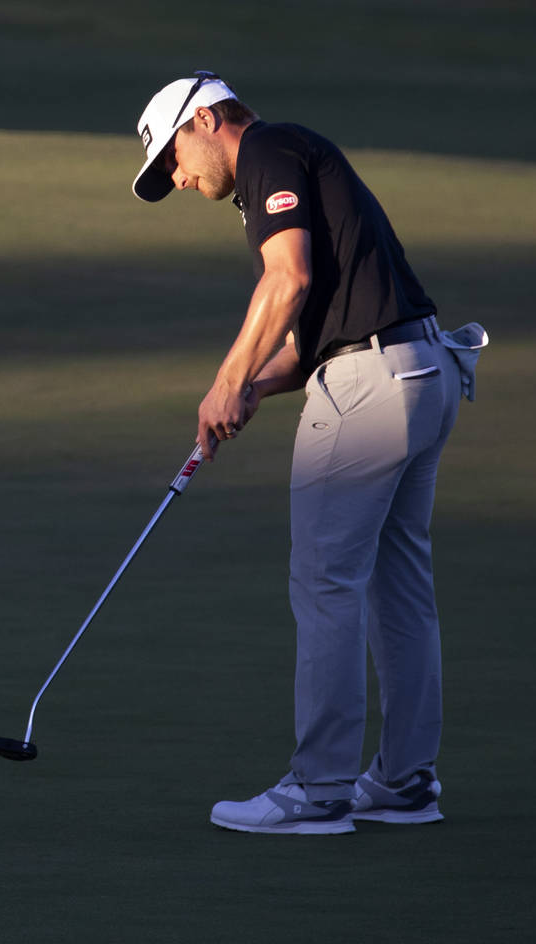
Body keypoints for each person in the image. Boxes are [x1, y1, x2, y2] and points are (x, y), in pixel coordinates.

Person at [132, 71, 487, 834]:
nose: (180, 177)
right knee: (398, 586)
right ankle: (403, 781)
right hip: (423, 374)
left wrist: (225, 382)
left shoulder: (266, 150)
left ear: (205, 119)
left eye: (174, 156)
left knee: (326, 582)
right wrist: (256, 386)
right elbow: (316, 330)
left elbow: (285, 280)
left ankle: (318, 791)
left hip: (368, 391)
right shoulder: (293, 157)